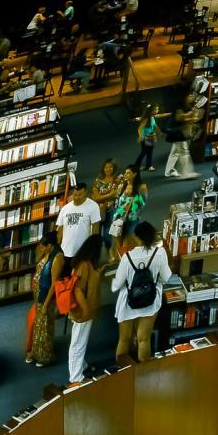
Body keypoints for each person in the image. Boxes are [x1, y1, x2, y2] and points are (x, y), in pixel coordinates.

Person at [111, 221, 174, 363]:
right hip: (150, 300)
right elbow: (166, 277)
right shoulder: (160, 253)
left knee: (124, 339)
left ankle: (123, 370)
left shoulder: (127, 257)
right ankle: (144, 370)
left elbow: (117, 285)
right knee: (144, 339)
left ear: (137, 237)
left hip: (128, 302)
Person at [67, 234, 104, 386]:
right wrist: (86, 310)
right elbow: (78, 290)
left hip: (86, 310)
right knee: (78, 343)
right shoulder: (84, 265)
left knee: (80, 340)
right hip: (83, 311)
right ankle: (75, 378)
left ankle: (82, 367)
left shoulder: (87, 264)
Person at [26, 233, 63, 367]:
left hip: (47, 298)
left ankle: (44, 356)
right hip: (39, 297)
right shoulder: (47, 253)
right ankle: (36, 352)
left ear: (50, 245)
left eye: (43, 246)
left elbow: (54, 284)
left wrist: (46, 305)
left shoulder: (58, 258)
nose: (41, 249)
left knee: (45, 327)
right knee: (39, 326)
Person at [56, 183, 101, 268]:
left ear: (86, 193)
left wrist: (92, 249)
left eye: (80, 195)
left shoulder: (93, 206)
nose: (77, 197)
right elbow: (60, 230)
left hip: (83, 252)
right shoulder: (65, 209)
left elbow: (96, 228)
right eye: (75, 195)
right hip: (65, 251)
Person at [110, 165, 149, 262]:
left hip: (132, 220)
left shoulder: (141, 187)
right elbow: (116, 202)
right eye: (125, 173)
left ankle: (128, 263)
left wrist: (131, 204)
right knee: (118, 246)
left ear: (135, 174)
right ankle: (118, 264)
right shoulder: (122, 186)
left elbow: (143, 203)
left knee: (127, 246)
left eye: (128, 173)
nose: (125, 175)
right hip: (118, 219)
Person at [164, 93, 203, 180]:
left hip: (180, 133)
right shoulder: (180, 106)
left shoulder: (189, 107)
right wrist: (191, 117)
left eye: (192, 96)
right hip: (179, 133)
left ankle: (168, 171)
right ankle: (186, 173)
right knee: (184, 153)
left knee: (175, 152)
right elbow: (179, 118)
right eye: (189, 96)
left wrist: (191, 117)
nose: (192, 97)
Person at [91, 158, 122, 249]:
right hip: (99, 210)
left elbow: (116, 194)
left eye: (110, 167)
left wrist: (100, 198)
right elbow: (95, 197)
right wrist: (110, 195)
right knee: (96, 234)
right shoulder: (98, 180)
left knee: (107, 234)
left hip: (112, 209)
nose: (108, 169)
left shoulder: (118, 178)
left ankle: (109, 252)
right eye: (106, 167)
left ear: (114, 168)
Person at [135, 105, 163, 172]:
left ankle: (149, 166)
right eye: (156, 110)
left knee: (149, 152)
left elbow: (154, 125)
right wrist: (141, 136)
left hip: (150, 137)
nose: (157, 111)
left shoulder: (152, 117)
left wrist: (158, 131)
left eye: (157, 109)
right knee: (144, 153)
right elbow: (139, 129)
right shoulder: (146, 119)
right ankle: (136, 166)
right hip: (145, 138)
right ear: (151, 111)